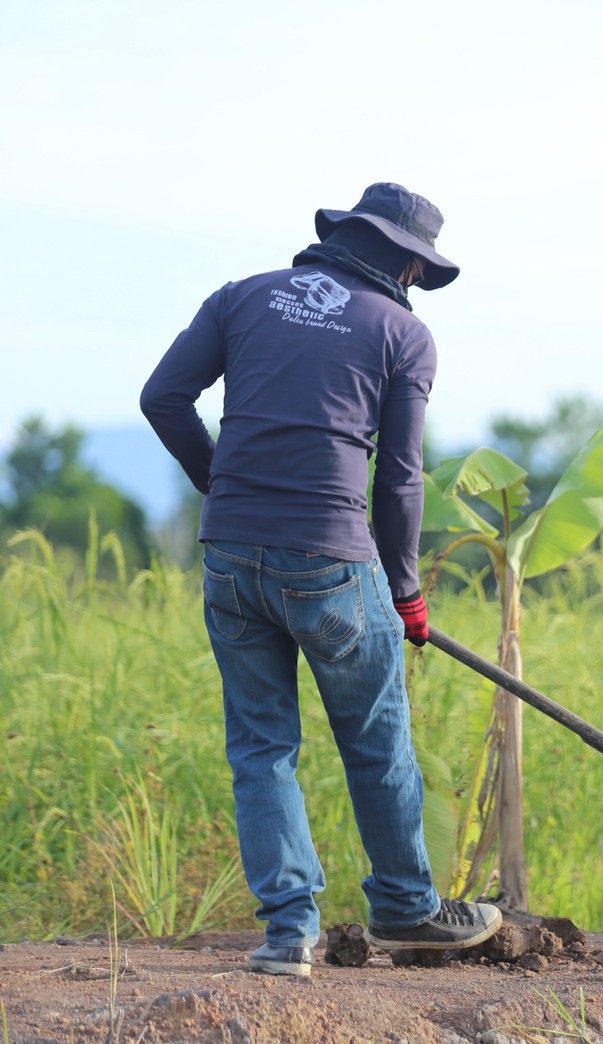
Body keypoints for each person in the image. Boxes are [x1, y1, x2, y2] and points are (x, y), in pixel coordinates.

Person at [140, 183, 501, 978]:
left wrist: (220, 483)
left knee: (262, 749)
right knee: (377, 744)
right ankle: (408, 908)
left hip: (232, 554)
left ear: (343, 237)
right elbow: (400, 479)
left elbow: (162, 397)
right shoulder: (403, 331)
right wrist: (405, 592)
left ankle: (286, 937)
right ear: (407, 262)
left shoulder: (240, 297)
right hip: (331, 560)